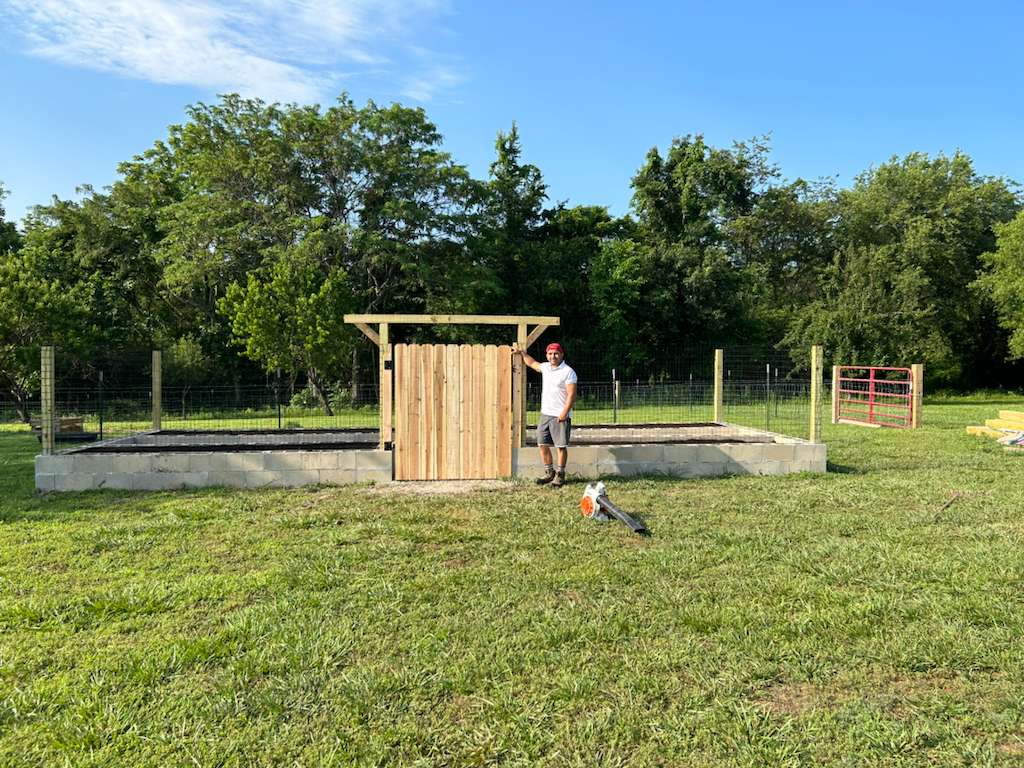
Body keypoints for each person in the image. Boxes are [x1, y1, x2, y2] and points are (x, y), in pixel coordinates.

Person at [515, 342, 577, 487]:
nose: (553, 356)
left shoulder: (568, 372)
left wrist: (564, 413)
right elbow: (532, 363)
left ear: (561, 354)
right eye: (550, 354)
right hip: (545, 414)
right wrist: (522, 353)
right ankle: (550, 473)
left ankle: (560, 475)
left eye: (556, 353)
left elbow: (571, 395)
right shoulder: (546, 367)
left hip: (560, 415)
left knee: (560, 446)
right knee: (542, 444)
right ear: (547, 355)